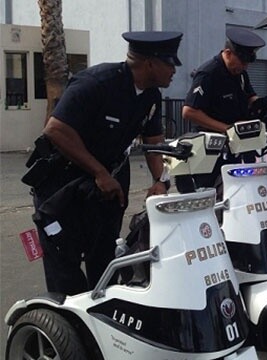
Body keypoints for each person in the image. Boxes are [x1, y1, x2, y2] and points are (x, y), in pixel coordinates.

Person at [24, 31, 183, 296]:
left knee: (104, 260)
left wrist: (160, 180)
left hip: (106, 188)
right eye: (170, 64)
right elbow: (56, 129)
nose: (174, 72)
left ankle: (102, 320)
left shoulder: (151, 96)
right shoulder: (96, 83)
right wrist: (99, 172)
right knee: (66, 268)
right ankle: (68, 330)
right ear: (150, 63)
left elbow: (154, 140)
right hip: (62, 188)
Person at [182, 27, 266, 189]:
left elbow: (250, 97)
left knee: (236, 191)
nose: (245, 66)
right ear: (228, 53)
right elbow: (189, 111)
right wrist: (227, 129)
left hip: (235, 146)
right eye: (242, 62)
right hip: (210, 149)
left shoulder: (239, 74)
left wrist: (263, 105)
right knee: (212, 193)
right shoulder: (209, 74)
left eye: (247, 63)